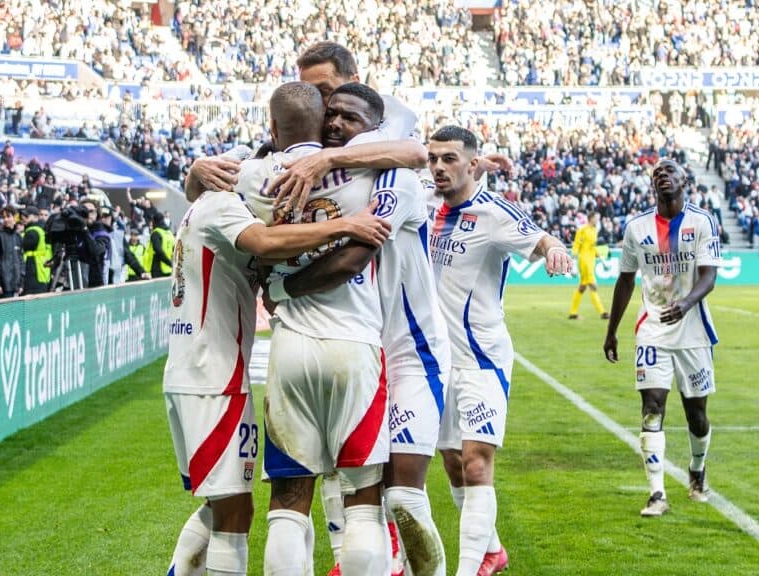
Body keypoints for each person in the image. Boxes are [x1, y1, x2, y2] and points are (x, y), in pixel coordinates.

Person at [163, 81, 393, 576]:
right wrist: (345, 219)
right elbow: (417, 153)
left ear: (272, 129)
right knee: (362, 498)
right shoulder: (372, 172)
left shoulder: (245, 177)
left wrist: (194, 172)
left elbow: (202, 188)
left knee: (285, 501)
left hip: (286, 349)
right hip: (352, 343)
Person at [263, 83, 448, 576]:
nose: (335, 125)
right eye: (329, 115)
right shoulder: (324, 173)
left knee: (402, 499)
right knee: (341, 498)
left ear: (375, 128)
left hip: (410, 352)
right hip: (357, 347)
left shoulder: (393, 180)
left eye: (347, 116)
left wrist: (279, 289)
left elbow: (356, 253)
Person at [426, 126, 571, 575]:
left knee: (475, 462)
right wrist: (469, 166)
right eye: (433, 158)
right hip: (438, 359)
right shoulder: (425, 201)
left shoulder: (493, 214)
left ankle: (468, 569)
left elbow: (539, 236)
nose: (437, 167)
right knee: (452, 464)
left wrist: (554, 249)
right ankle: (491, 550)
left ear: (472, 163)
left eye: (449, 159)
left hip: (483, 357)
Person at [603, 158, 721, 517]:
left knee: (696, 415)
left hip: (693, 331)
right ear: (652, 185)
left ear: (684, 180)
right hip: (652, 329)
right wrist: (611, 331)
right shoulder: (636, 228)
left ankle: (697, 471)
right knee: (652, 408)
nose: (663, 176)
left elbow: (709, 276)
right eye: (658, 174)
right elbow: (625, 279)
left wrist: (685, 303)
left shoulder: (702, 222)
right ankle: (656, 493)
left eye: (670, 171)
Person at [569, 212, 610, 320]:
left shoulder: (594, 231)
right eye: (596, 218)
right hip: (584, 261)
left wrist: (602, 260)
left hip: (591, 262)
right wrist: (573, 264)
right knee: (593, 286)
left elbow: (593, 247)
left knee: (582, 287)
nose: (597, 220)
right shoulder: (582, 230)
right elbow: (576, 246)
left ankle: (573, 313)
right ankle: (603, 313)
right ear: (590, 218)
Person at [20, 207, 52, 295]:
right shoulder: (44, 230)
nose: (23, 217)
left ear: (35, 217)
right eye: (22, 216)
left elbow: (21, 246)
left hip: (33, 271)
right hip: (43, 272)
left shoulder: (32, 231)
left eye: (26, 216)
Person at [0, 205, 24, 298]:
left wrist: (21, 283)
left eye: (8, 216)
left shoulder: (18, 236)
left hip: (16, 283)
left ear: (15, 217)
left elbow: (21, 260)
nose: (6, 219)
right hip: (3, 284)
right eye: (3, 217)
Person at [147, 211, 174, 278]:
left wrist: (169, 263)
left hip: (157, 268)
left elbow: (158, 250)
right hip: (169, 269)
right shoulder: (170, 233)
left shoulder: (156, 233)